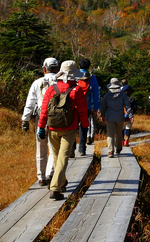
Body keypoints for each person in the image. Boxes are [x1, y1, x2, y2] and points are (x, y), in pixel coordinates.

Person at [37, 60, 89, 201]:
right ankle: (55, 188)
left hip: (52, 128)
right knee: (63, 157)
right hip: (69, 128)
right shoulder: (77, 90)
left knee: (57, 157)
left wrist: (41, 127)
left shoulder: (51, 88)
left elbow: (44, 110)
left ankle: (62, 182)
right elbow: (83, 111)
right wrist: (85, 126)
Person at [21, 57, 58, 186]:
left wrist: (25, 120)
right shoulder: (60, 82)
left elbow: (30, 103)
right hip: (56, 119)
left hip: (40, 119)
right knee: (53, 148)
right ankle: (49, 174)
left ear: (44, 69)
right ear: (57, 69)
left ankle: (41, 177)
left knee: (40, 148)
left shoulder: (37, 83)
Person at [100, 78, 131, 158]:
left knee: (110, 133)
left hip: (109, 117)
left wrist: (102, 115)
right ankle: (118, 148)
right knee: (119, 132)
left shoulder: (107, 95)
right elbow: (127, 106)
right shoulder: (123, 95)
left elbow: (103, 106)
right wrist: (130, 115)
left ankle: (110, 151)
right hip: (119, 116)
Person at [76, 58, 100, 156]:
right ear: (89, 67)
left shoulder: (75, 76)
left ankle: (72, 149)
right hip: (86, 107)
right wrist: (96, 107)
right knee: (84, 126)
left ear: (79, 67)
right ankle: (82, 149)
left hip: (74, 106)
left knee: (73, 127)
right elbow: (96, 94)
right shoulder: (92, 78)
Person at [120, 79, 134, 147]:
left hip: (121, 116)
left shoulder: (120, 98)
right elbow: (135, 107)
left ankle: (122, 141)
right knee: (128, 128)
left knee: (121, 129)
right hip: (129, 116)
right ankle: (126, 141)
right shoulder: (132, 98)